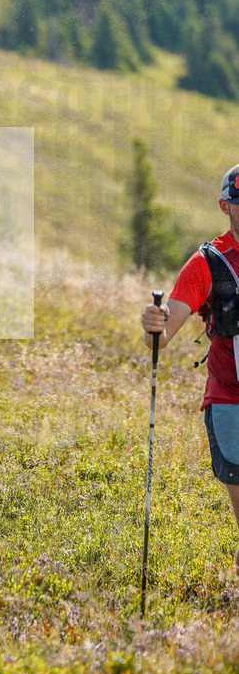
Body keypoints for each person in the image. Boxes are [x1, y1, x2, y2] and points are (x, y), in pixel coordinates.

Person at [141, 163, 239, 572]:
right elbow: (160, 341)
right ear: (225, 205)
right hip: (228, 398)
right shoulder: (206, 264)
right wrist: (152, 326)